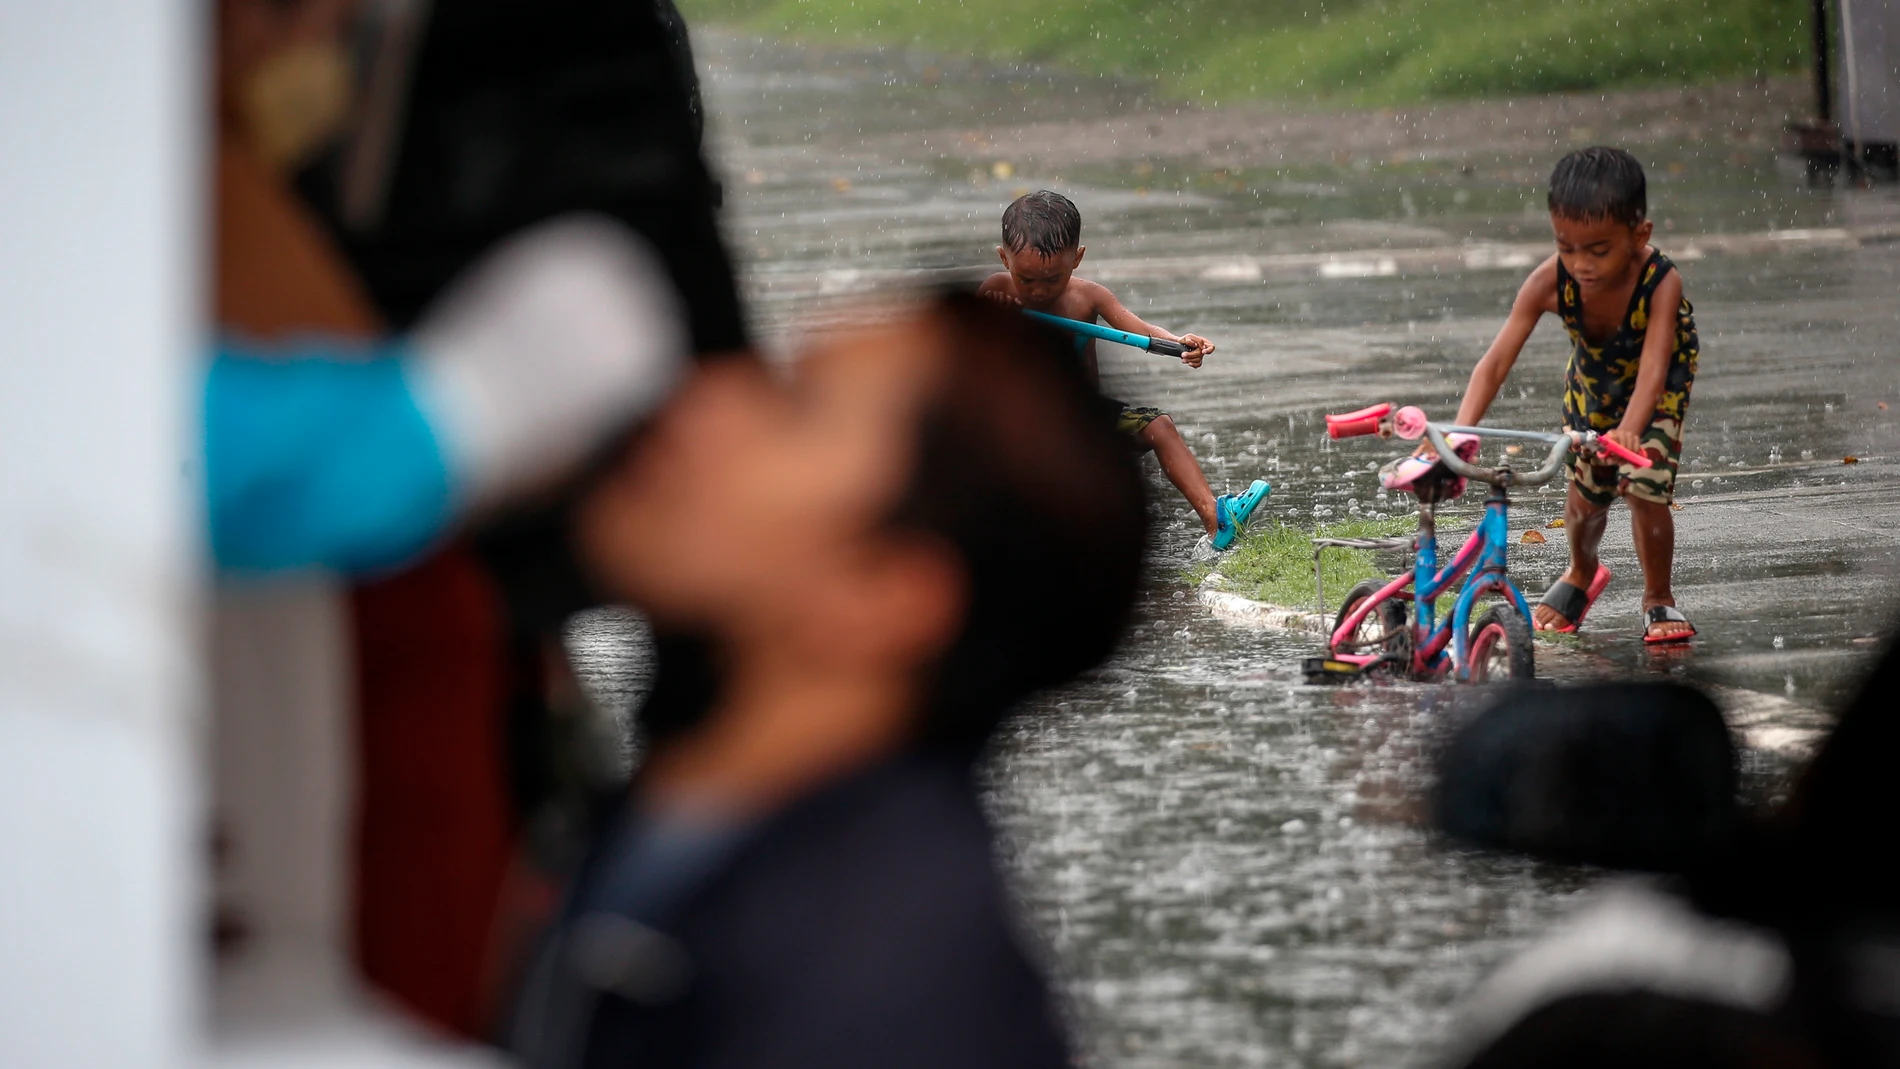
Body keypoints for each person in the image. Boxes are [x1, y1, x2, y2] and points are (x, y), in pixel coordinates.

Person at [507, 293, 1148, 1069]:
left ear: (880, 596)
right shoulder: (683, 809)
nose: (703, 396)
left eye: (790, 404)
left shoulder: (884, 986)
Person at [1442, 147, 1698, 643]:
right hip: (1594, 382)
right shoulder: (1548, 282)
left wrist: (1632, 429)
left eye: (1599, 250)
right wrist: (1459, 431)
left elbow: (1653, 367)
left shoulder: (1661, 282)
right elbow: (1495, 362)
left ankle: (1657, 599)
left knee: (1642, 482)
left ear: (1639, 234)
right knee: (1585, 500)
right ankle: (1582, 572)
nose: (1581, 264)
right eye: (1567, 247)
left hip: (1659, 385)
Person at [977, 190, 1269, 550]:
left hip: (1085, 418)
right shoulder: (994, 294)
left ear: (1077, 258)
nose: (1038, 291)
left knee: (1158, 426)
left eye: (1052, 279)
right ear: (1004, 259)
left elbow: (1139, 330)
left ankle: (1217, 519)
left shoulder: (1089, 297)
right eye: (1027, 280)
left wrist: (1179, 344)